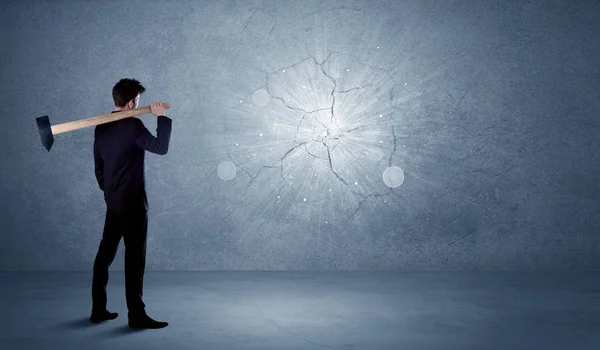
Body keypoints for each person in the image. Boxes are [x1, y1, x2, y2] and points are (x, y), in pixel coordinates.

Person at [90, 78, 172, 329]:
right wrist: (160, 117)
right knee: (134, 259)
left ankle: (98, 309)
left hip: (113, 203)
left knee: (105, 255)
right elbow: (161, 147)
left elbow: (99, 167)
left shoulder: (100, 127)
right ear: (132, 102)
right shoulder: (134, 126)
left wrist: (109, 193)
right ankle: (136, 315)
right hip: (134, 204)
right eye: (138, 100)